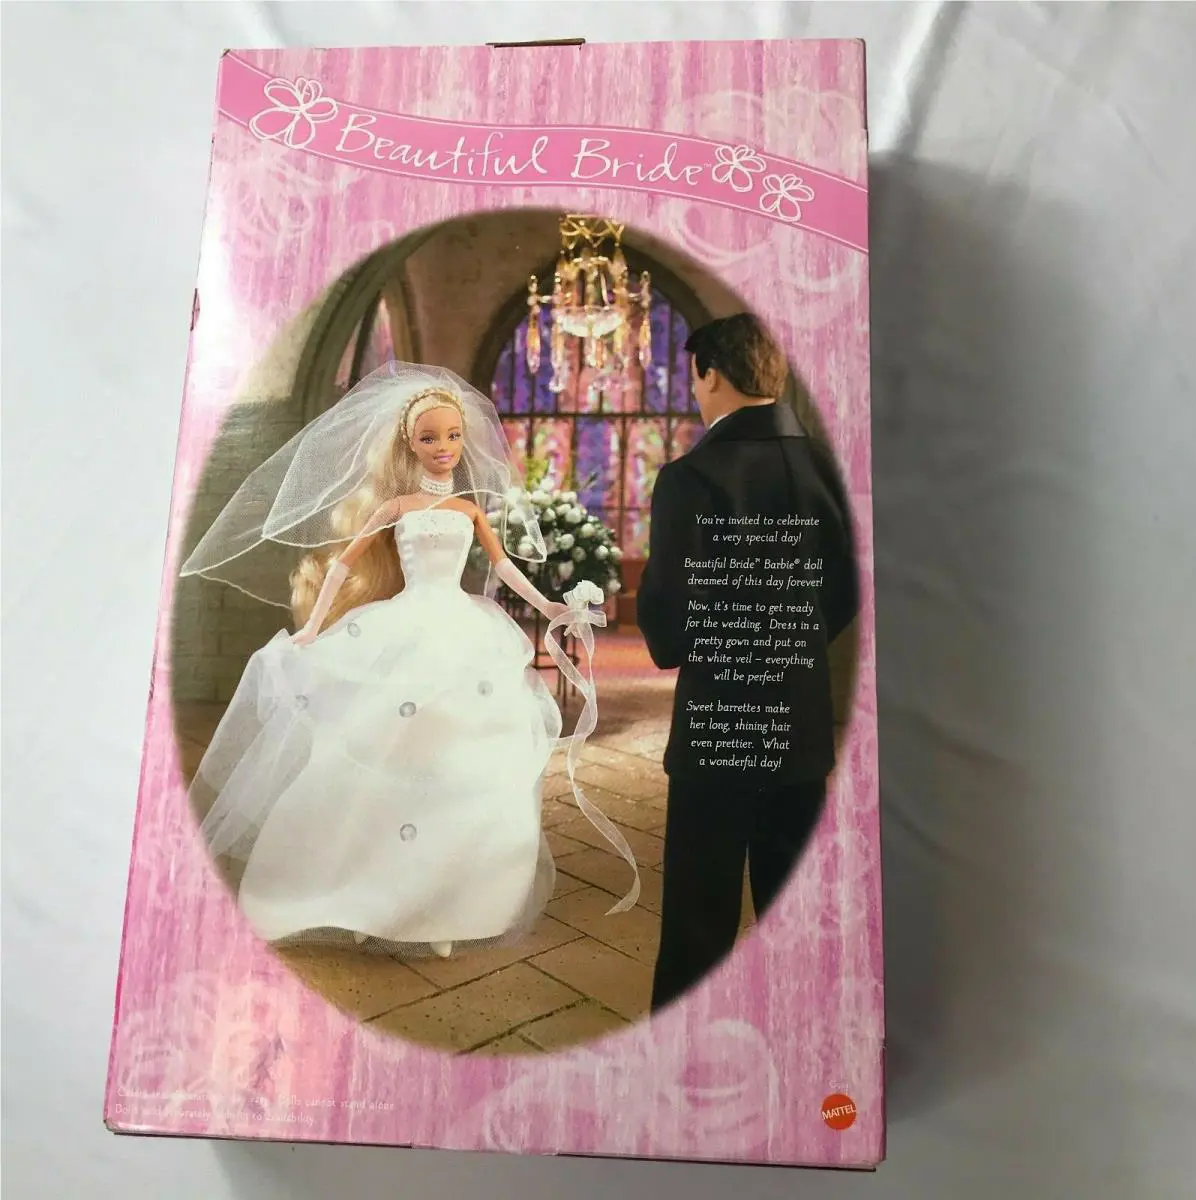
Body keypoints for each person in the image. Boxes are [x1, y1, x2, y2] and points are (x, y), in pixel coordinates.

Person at [181, 362, 638, 960]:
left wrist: (549, 605)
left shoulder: (470, 511)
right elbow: (344, 564)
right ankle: (369, 896)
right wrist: (314, 627)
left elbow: (503, 568)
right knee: (387, 751)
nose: (443, 447)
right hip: (405, 624)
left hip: (460, 627)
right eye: (429, 437)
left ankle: (446, 903)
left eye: (452, 436)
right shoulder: (396, 507)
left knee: (458, 757)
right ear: (410, 443)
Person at [637, 314, 859, 1011]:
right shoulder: (830, 468)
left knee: (699, 923)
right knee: (792, 917)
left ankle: (683, 1053)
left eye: (693, 377)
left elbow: (670, 620)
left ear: (710, 373)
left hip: (720, 726)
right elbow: (847, 588)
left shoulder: (692, 477)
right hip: (799, 724)